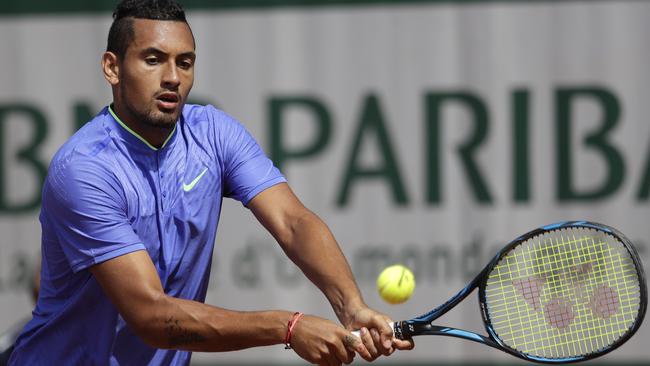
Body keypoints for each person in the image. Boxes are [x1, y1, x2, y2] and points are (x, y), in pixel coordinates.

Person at [9, 1, 413, 365]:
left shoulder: (214, 132)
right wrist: (288, 326)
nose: (172, 77)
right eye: (153, 60)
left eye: (185, 62)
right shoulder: (84, 170)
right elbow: (152, 315)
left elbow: (292, 221)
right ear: (112, 67)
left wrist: (351, 305)